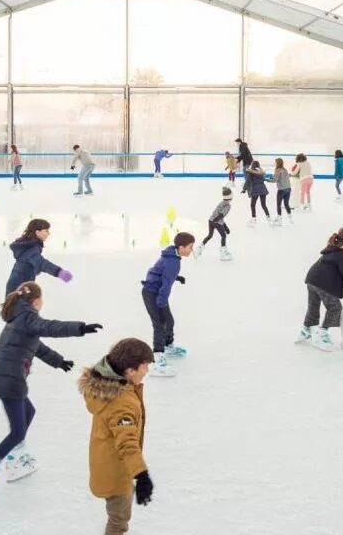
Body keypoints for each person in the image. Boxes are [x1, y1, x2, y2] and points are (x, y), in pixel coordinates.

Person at [0, 282, 100, 512]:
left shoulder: (20, 318)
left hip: (4, 377)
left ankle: (14, 456)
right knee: (17, 431)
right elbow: (47, 327)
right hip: (9, 380)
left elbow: (37, 345)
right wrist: (80, 328)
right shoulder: (28, 317)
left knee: (29, 413)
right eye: (41, 298)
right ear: (36, 300)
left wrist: (59, 361)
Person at [78, 338, 156, 535]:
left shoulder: (106, 386)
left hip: (105, 462)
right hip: (116, 472)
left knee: (116, 516)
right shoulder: (122, 402)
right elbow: (127, 442)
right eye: (144, 366)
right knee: (118, 521)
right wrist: (141, 475)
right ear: (129, 370)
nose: (146, 371)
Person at [296, 227, 343, 352]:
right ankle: (323, 333)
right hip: (322, 282)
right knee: (335, 308)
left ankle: (306, 330)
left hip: (312, 278)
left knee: (313, 306)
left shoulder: (334, 246)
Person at [142, 232, 194, 377]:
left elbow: (162, 273)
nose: (192, 250)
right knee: (159, 324)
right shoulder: (173, 261)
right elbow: (166, 286)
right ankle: (157, 358)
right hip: (153, 293)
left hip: (157, 292)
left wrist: (176, 277)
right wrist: (161, 303)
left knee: (169, 321)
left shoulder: (172, 255)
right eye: (190, 247)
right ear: (182, 247)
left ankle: (167, 345)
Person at [5, 219, 72, 295]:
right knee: (24, 306)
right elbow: (42, 263)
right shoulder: (31, 249)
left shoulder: (28, 245)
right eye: (46, 231)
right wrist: (59, 272)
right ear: (37, 232)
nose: (48, 234)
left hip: (20, 287)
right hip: (18, 289)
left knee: (30, 304)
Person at [196, 187, 233, 261]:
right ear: (230, 197)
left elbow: (219, 214)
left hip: (210, 220)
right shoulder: (228, 205)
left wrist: (225, 227)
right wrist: (217, 220)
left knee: (210, 236)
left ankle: (200, 248)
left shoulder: (221, 202)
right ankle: (223, 253)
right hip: (217, 222)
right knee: (223, 236)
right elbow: (222, 215)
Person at [245, 160, 272, 226]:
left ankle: (254, 218)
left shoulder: (250, 172)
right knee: (263, 205)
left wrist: (244, 189)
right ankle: (269, 218)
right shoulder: (261, 171)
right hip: (263, 189)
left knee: (253, 204)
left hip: (255, 189)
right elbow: (263, 178)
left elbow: (248, 181)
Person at [269, 157, 293, 225]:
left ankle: (279, 220)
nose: (274, 163)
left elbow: (274, 180)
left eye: (275, 162)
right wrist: (270, 177)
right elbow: (275, 177)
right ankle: (290, 219)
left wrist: (266, 180)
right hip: (288, 189)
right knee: (286, 204)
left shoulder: (278, 170)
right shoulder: (285, 169)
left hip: (282, 190)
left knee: (278, 205)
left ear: (277, 163)